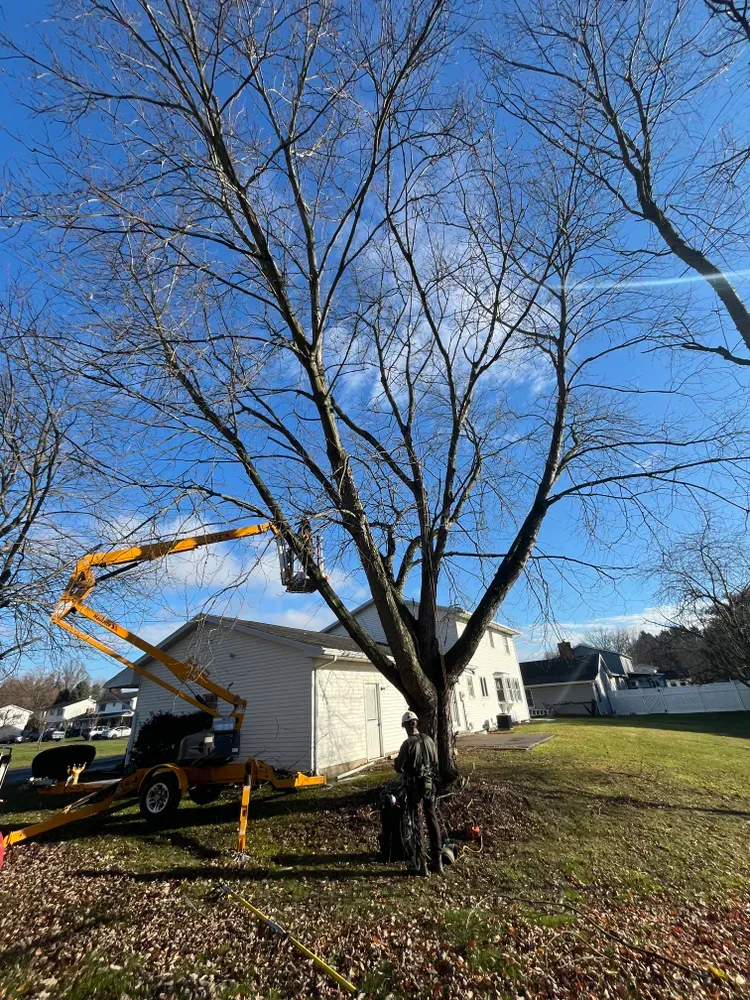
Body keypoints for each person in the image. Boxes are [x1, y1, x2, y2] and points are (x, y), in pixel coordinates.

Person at [394, 710, 443, 874]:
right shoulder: (429, 740)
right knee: (432, 818)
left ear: (406, 727)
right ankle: (438, 860)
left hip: (415, 786)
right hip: (430, 786)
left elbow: (398, 767)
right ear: (416, 724)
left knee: (417, 821)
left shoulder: (407, 744)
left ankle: (422, 864)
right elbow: (435, 762)